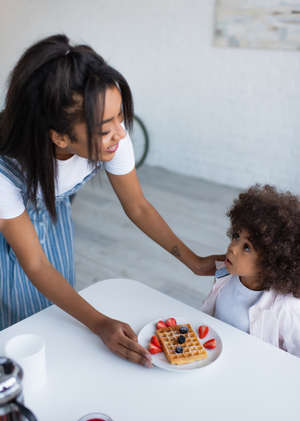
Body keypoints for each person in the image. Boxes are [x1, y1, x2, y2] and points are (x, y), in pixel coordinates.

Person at [0, 34, 220, 367]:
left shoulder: (110, 135)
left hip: (49, 210)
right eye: (106, 128)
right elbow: (35, 264)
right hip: (7, 221)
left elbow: (138, 206)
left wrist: (194, 261)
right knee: (21, 322)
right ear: (58, 136)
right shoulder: (6, 173)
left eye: (121, 117)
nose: (120, 133)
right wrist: (99, 322)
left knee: (58, 305)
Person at [201, 184, 300, 357]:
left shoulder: (286, 309)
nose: (232, 248)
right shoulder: (224, 274)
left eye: (246, 247)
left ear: (270, 260)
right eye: (236, 237)